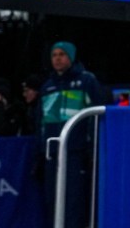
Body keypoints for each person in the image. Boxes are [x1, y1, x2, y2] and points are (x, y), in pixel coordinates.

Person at [38, 41, 104, 228]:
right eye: (54, 55)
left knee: (73, 201)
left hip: (76, 152)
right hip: (53, 154)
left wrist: (91, 149)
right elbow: (40, 122)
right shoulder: (47, 86)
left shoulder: (86, 81)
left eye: (62, 54)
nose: (57, 58)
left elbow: (98, 115)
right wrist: (40, 152)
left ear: (71, 57)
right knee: (52, 199)